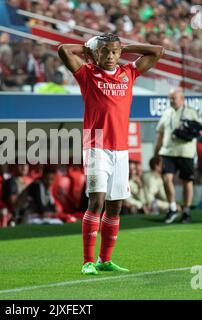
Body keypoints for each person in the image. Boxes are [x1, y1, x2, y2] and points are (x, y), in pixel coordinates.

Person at [58, 33, 164, 275]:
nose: (110, 56)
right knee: (96, 201)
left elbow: (157, 51)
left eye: (115, 52)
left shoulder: (128, 73)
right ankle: (87, 261)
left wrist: (126, 47)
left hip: (121, 149)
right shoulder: (87, 74)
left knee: (115, 207)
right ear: (97, 53)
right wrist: (88, 49)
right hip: (96, 146)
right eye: (105, 51)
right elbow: (64, 49)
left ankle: (104, 260)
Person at [154, 87, 202, 224]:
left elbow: (200, 131)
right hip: (168, 151)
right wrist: (156, 152)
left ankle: (186, 210)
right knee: (166, 178)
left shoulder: (192, 112)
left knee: (187, 181)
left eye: (173, 98)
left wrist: (187, 131)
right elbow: (160, 133)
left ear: (182, 99)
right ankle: (173, 207)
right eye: (169, 98)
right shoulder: (166, 113)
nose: (171, 100)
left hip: (186, 152)